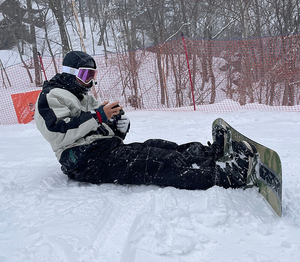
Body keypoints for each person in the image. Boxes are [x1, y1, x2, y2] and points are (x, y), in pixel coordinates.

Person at [35, 50, 254, 190]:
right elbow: (58, 131)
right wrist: (99, 115)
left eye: (92, 76)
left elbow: (97, 125)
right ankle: (227, 177)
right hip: (82, 160)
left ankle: (208, 154)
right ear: (69, 72)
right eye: (85, 76)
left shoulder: (82, 96)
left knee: (158, 146)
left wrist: (118, 126)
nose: (89, 82)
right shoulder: (51, 96)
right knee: (156, 162)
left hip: (101, 150)